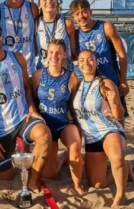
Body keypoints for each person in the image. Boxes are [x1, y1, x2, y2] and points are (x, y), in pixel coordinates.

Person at [0, 23, 51, 191]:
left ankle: (33, 181)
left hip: (23, 118)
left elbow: (27, 87)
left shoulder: (17, 57)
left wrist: (31, 107)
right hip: (0, 128)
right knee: (4, 177)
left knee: (44, 135)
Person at [73, 49, 134, 207]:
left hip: (108, 130)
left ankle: (120, 195)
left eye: (90, 59)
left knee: (116, 155)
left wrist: (114, 103)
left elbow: (119, 115)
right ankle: (126, 167)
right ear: (78, 65)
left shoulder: (105, 83)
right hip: (91, 137)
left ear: (96, 62)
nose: (86, 63)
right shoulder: (77, 86)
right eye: (82, 61)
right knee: (98, 183)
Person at [31, 39, 85, 195]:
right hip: (46, 127)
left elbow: (74, 105)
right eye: (52, 52)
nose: (55, 56)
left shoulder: (71, 77)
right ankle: (63, 157)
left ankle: (77, 184)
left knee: (75, 146)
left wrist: (78, 127)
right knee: (50, 174)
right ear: (47, 53)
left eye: (58, 53)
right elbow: (33, 102)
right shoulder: (38, 75)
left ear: (64, 55)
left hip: (64, 123)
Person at [70, 0, 129, 122]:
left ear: (90, 11)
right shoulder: (75, 35)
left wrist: (123, 81)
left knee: (117, 120)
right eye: (77, 14)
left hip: (110, 81)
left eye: (84, 11)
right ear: (73, 17)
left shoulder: (106, 27)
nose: (81, 16)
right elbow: (74, 59)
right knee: (90, 122)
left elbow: (122, 55)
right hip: (89, 86)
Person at [36, 0, 76, 70]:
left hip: (64, 72)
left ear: (56, 2)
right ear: (39, 4)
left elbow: (74, 54)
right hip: (43, 73)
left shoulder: (67, 23)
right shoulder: (35, 24)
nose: (49, 1)